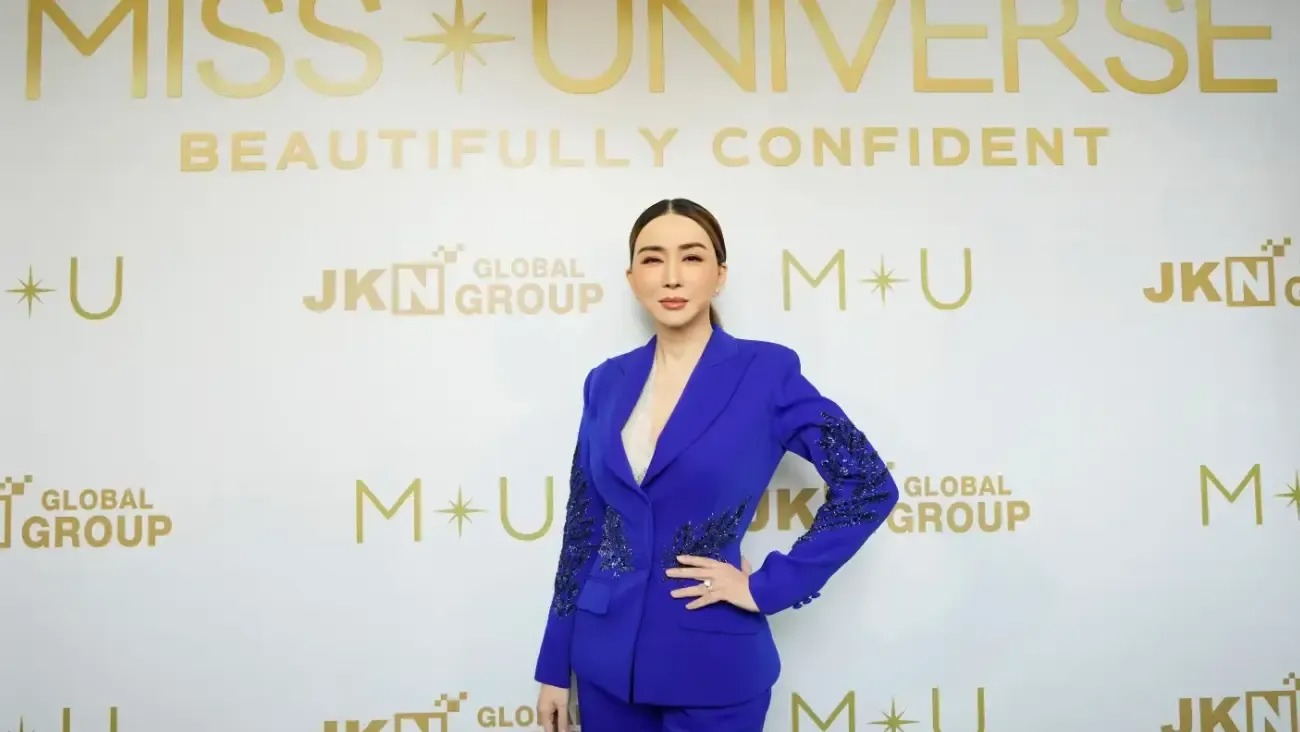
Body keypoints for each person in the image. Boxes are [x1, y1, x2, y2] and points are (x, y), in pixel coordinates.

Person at [533, 198, 900, 732]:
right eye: (653, 258)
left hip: (714, 668)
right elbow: (583, 530)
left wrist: (768, 586)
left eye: (692, 257)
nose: (672, 275)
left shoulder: (766, 371)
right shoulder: (605, 382)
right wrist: (554, 666)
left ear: (720, 275)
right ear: (633, 278)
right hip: (603, 666)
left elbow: (868, 484)